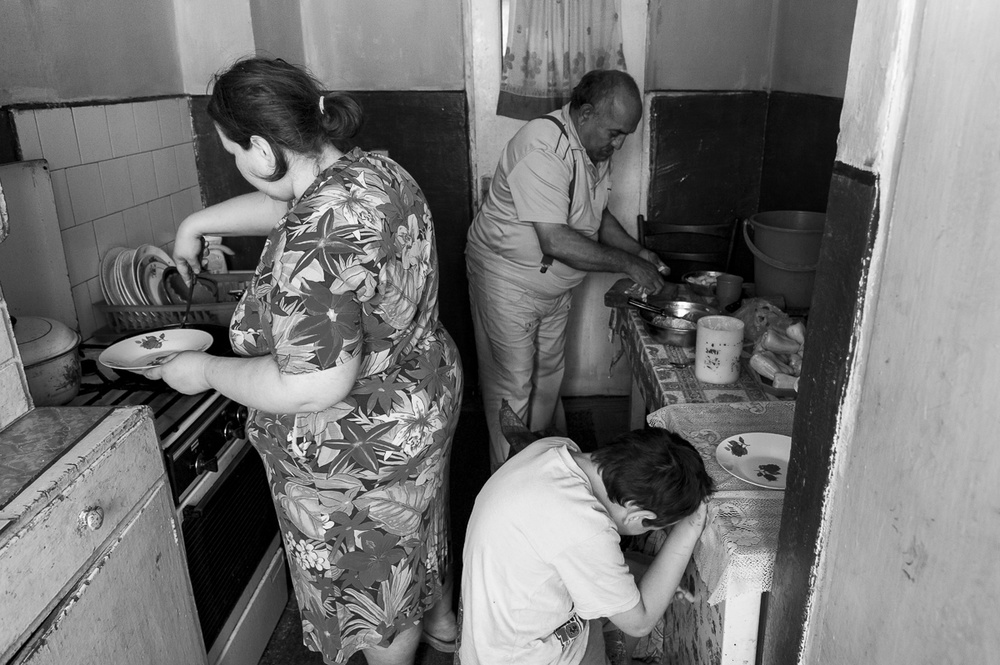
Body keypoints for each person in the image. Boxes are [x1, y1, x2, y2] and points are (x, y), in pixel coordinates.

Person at [143, 57, 463, 665]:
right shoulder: (371, 172)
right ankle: (444, 624)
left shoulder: (315, 240)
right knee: (415, 539)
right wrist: (196, 224)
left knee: (377, 599)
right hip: (421, 400)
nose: (237, 164)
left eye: (234, 152)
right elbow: (296, 206)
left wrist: (203, 371)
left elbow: (312, 386)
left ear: (264, 150)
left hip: (360, 455)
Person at [466, 69, 669, 472]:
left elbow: (596, 215)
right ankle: (507, 482)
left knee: (548, 375)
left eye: (626, 135)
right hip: (507, 281)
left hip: (553, 286)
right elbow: (555, 240)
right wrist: (628, 264)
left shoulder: (593, 150)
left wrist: (638, 252)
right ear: (586, 113)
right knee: (512, 385)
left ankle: (540, 468)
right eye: (615, 133)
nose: (620, 143)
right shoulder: (543, 147)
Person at [458, 427, 714, 665]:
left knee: (632, 584)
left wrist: (651, 574)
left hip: (488, 636)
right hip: (525, 656)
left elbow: (572, 553)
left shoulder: (555, 449)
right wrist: (688, 529)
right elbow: (639, 623)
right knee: (633, 614)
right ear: (637, 516)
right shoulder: (585, 525)